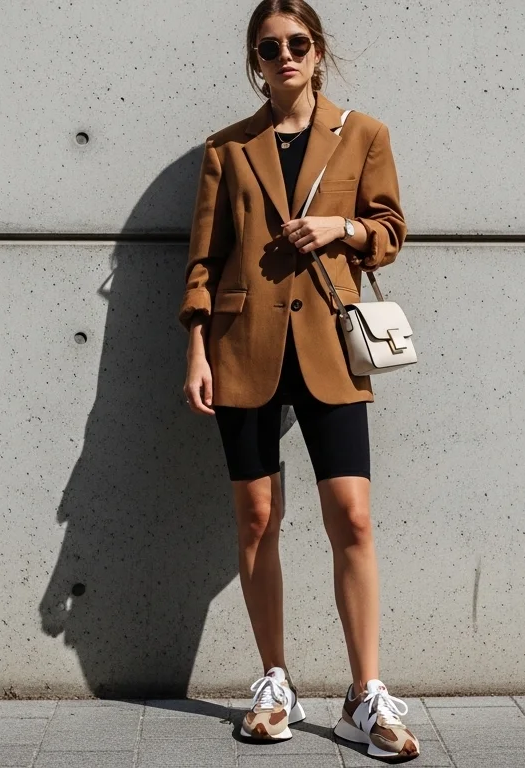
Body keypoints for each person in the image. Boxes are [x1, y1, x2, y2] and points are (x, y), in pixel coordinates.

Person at [176, 0, 417, 759]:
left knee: (352, 517)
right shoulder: (227, 148)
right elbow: (204, 262)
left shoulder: (364, 135)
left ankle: (364, 695)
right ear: (257, 58)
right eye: (270, 45)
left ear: (318, 53)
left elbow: (390, 233)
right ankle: (274, 682)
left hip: (329, 347)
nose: (285, 55)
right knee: (256, 520)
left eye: (298, 43)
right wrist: (196, 349)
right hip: (243, 346)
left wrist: (340, 227)